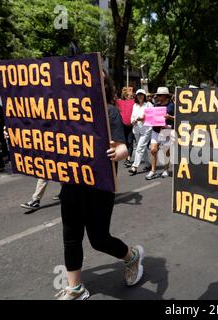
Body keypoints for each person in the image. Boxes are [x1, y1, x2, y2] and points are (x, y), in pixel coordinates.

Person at [55, 71, 144, 300]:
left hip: (99, 188)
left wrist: (118, 152)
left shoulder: (109, 112)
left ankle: (131, 256)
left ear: (102, 86)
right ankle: (75, 288)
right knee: (71, 237)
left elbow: (123, 148)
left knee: (99, 240)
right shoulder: (65, 112)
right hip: (72, 184)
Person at [146, 87, 175, 180]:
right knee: (153, 150)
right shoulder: (155, 105)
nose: (157, 96)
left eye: (160, 95)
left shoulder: (172, 106)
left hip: (166, 131)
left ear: (166, 96)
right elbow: (152, 117)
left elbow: (177, 117)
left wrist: (169, 117)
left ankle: (166, 170)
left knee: (166, 151)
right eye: (157, 95)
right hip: (156, 130)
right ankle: (152, 170)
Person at [129, 89, 153, 175]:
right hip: (136, 129)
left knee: (139, 148)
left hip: (146, 129)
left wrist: (143, 118)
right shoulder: (135, 105)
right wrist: (132, 121)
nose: (140, 96)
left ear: (144, 96)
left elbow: (152, 116)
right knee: (143, 149)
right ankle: (149, 164)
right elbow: (132, 116)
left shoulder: (149, 104)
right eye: (138, 95)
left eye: (141, 94)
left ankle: (134, 166)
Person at [119, 87, 136, 168]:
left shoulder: (134, 102)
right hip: (122, 125)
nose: (131, 96)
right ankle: (126, 157)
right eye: (130, 96)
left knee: (130, 141)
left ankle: (128, 159)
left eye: (132, 95)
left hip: (131, 125)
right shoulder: (119, 102)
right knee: (125, 142)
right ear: (125, 96)